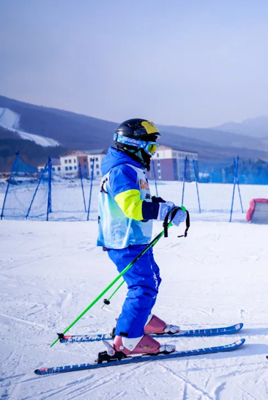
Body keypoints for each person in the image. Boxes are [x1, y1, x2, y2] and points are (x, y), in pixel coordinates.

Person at [97, 118, 187, 356]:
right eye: (150, 147)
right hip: (124, 240)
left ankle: (141, 321)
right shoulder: (121, 170)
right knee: (142, 286)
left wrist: (164, 205)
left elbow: (141, 202)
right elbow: (132, 208)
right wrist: (162, 211)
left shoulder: (130, 168)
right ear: (131, 144)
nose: (152, 153)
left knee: (152, 280)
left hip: (135, 238)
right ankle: (128, 340)